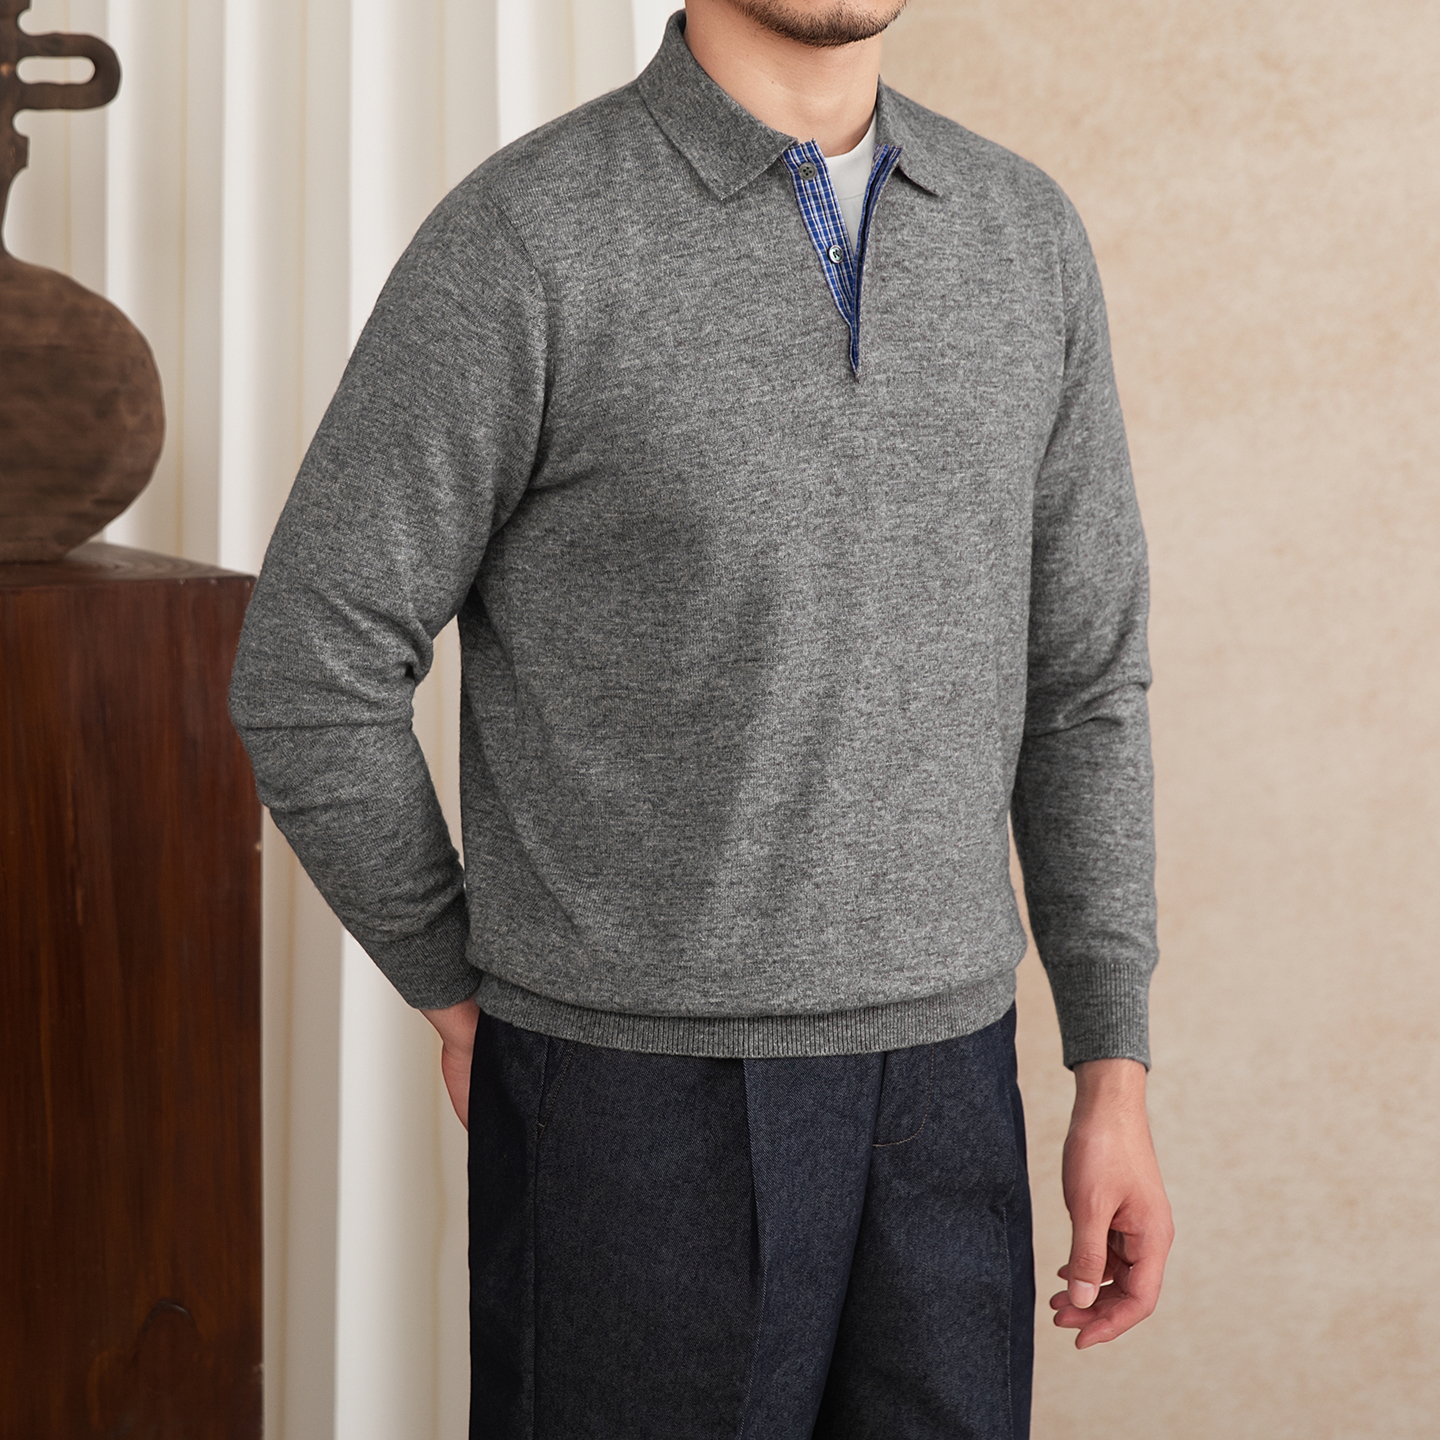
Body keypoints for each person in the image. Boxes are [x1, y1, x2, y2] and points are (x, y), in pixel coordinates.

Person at [229, 2, 1174, 1435]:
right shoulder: (530, 237)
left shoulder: (1022, 234)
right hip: (634, 1100)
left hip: (950, 1088)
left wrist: (1113, 1067)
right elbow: (311, 666)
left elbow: (1085, 679)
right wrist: (453, 979)